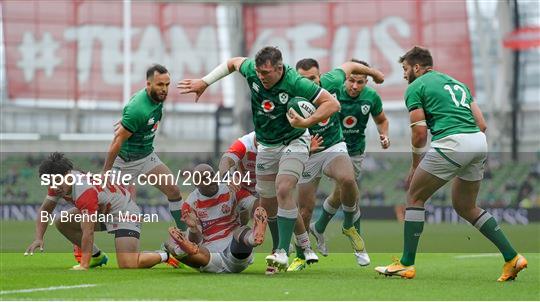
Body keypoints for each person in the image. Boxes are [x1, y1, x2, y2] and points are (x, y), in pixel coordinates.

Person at [179, 46, 340, 272]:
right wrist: (205, 82)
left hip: (294, 141)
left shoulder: (295, 82)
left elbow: (333, 104)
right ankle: (299, 247)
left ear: (279, 68)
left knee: (283, 188)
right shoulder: (253, 72)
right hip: (268, 145)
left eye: (266, 73)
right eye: (259, 72)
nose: (261, 77)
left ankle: (281, 251)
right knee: (268, 203)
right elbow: (233, 62)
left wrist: (306, 122)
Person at [375, 46, 527, 281]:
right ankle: (512, 257)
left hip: (452, 142)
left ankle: (406, 264)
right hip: (478, 142)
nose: (404, 75)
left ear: (417, 67)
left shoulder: (416, 87)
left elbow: (420, 134)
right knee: (466, 207)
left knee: (414, 197)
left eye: (405, 69)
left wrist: (416, 165)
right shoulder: (458, 84)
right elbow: (482, 124)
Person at [291, 58, 386, 269]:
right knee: (305, 211)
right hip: (309, 153)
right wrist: (305, 147)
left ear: (320, 76)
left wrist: (374, 73)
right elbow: (283, 135)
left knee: (347, 179)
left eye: (313, 78)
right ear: (297, 79)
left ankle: (350, 226)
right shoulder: (289, 98)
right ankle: (300, 255)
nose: (310, 83)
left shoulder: (332, 81)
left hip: (335, 146)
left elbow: (351, 66)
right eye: (304, 79)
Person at [27, 152, 178, 270]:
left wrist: (83, 265)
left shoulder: (83, 191)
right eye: (50, 182)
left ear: (68, 174)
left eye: (57, 182)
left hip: (124, 212)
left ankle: (167, 254)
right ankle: (96, 256)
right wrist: (39, 238)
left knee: (129, 264)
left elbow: (88, 231)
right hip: (103, 211)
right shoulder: (57, 183)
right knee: (62, 221)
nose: (54, 187)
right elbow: (45, 209)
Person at [218, 131, 320, 274]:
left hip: (267, 189)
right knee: (259, 212)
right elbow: (225, 160)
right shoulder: (244, 143)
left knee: (281, 204)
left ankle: (285, 248)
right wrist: (228, 176)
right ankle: (265, 247)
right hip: (242, 190)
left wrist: (306, 151)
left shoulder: (281, 142)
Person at [102, 64, 185, 231]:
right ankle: (82, 236)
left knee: (174, 191)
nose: (164, 89)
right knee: (111, 210)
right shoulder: (138, 110)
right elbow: (116, 142)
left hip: (146, 157)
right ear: (148, 84)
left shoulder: (156, 99)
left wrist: (127, 123)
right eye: (160, 85)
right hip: (124, 163)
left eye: (167, 84)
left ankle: (186, 234)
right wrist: (106, 172)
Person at [164, 164, 267, 273]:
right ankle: (177, 249)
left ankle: (254, 238)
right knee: (182, 249)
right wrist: (193, 228)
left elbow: (257, 206)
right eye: (204, 178)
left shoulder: (231, 189)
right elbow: (196, 240)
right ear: (196, 184)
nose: (210, 180)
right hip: (210, 257)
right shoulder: (190, 204)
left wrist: (264, 195)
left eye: (211, 175)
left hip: (236, 252)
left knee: (241, 231)